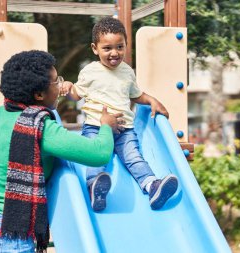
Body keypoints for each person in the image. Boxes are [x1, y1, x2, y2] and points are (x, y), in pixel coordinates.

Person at [0, 50, 122, 253]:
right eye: (56, 81)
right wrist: (106, 126)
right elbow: (99, 153)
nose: (60, 85)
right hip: (8, 233)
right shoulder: (39, 127)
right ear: (38, 94)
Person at [61, 17, 178, 212]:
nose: (114, 53)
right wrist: (68, 87)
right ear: (94, 48)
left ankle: (152, 187)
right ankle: (94, 187)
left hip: (125, 129)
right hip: (97, 127)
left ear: (125, 46)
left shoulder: (127, 71)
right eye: (107, 48)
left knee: (134, 158)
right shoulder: (90, 71)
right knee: (97, 157)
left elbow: (136, 94)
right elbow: (76, 94)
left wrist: (151, 100)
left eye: (120, 47)